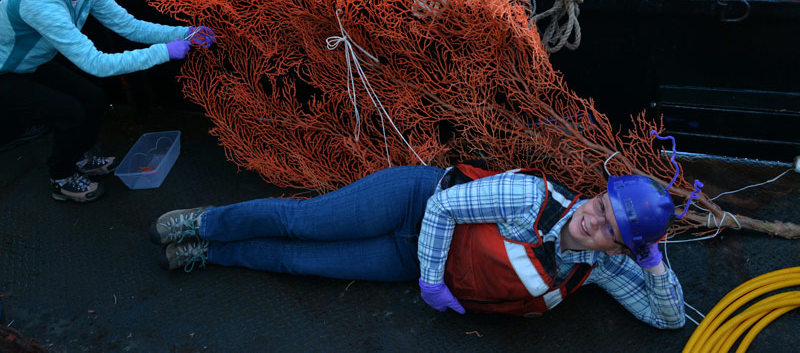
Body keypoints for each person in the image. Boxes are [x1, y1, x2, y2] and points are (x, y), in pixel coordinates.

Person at [150, 163, 686, 329]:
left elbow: (667, 318)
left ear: (621, 249)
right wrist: (432, 281)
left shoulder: (600, 266)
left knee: (298, 262)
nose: (593, 219)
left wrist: (655, 264)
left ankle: (211, 254)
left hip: (413, 260)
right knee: (302, 222)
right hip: (414, 202)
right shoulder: (531, 197)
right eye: (599, 204)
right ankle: (207, 222)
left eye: (612, 228)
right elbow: (444, 209)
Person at [0, 0, 216, 203]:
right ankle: (62, 178)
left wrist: (184, 32)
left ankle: (79, 156)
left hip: (31, 64)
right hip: (5, 72)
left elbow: (129, 27)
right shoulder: (40, 3)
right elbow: (97, 64)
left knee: (93, 97)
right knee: (68, 112)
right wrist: (165, 52)